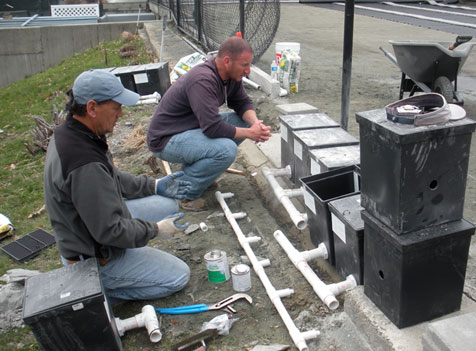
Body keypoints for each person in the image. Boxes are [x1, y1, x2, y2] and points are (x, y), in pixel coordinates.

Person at [43, 69, 192, 303]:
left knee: (167, 203)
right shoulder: (84, 163)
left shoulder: (76, 133)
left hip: (94, 229)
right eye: (116, 107)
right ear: (92, 108)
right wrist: (155, 230)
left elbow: (111, 178)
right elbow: (110, 231)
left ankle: (112, 275)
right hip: (94, 257)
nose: (121, 114)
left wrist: (154, 185)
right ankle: (98, 291)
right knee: (178, 276)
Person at [147, 36, 272, 211]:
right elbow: (212, 128)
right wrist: (251, 134)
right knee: (226, 150)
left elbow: (242, 102)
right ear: (227, 61)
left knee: (241, 122)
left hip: (189, 129)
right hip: (166, 139)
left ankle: (200, 173)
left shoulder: (230, 76)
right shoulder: (203, 79)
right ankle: (184, 193)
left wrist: (254, 125)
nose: (247, 70)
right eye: (244, 65)